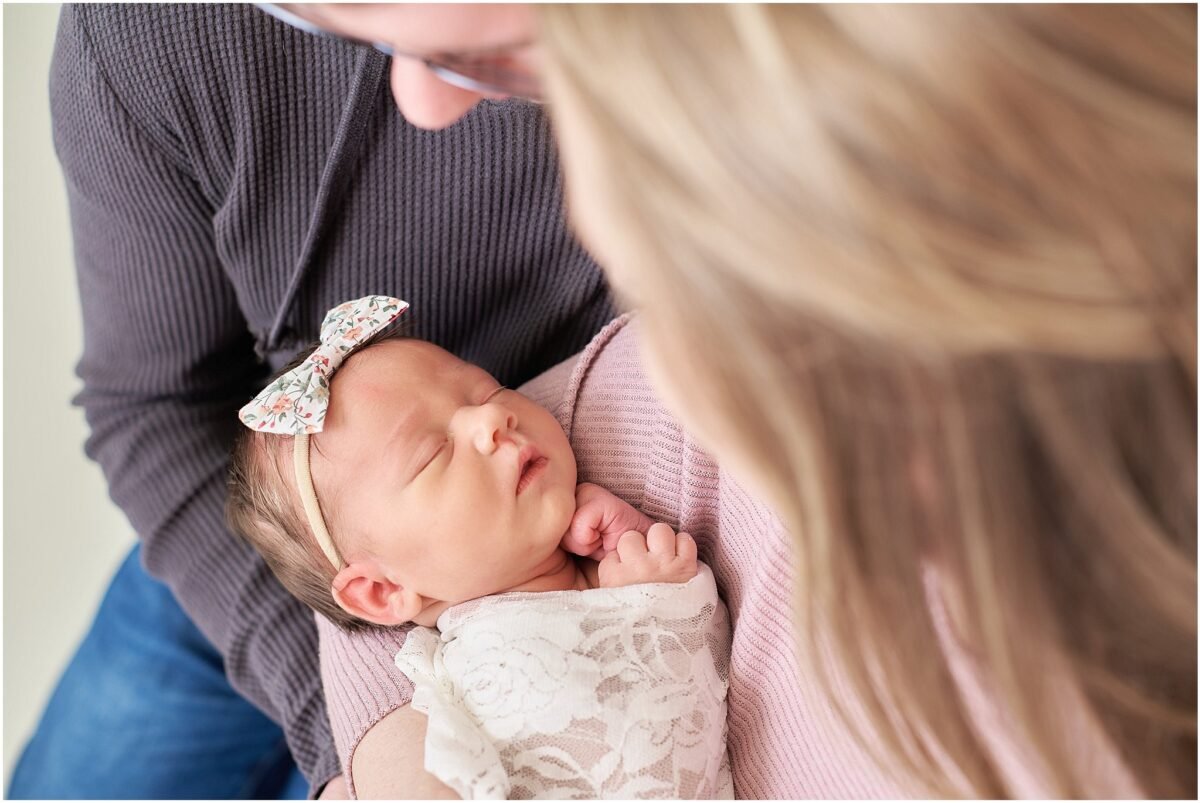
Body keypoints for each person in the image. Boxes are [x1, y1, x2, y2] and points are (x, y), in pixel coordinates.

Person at [313, 3, 1197, 799]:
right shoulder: (666, 395)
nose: (422, 102)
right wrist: (401, 758)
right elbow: (346, 566)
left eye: (486, 51)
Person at [12, 3, 611, 798]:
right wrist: (350, 728)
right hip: (261, 546)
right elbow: (156, 406)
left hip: (550, 576)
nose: (424, 101)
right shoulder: (150, 33)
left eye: (476, 58)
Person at [227, 295, 731, 799]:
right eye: (433, 453)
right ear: (383, 591)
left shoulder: (610, 570)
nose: (491, 419)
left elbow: (711, 706)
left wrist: (652, 591)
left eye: (488, 391)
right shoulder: (452, 703)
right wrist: (648, 608)